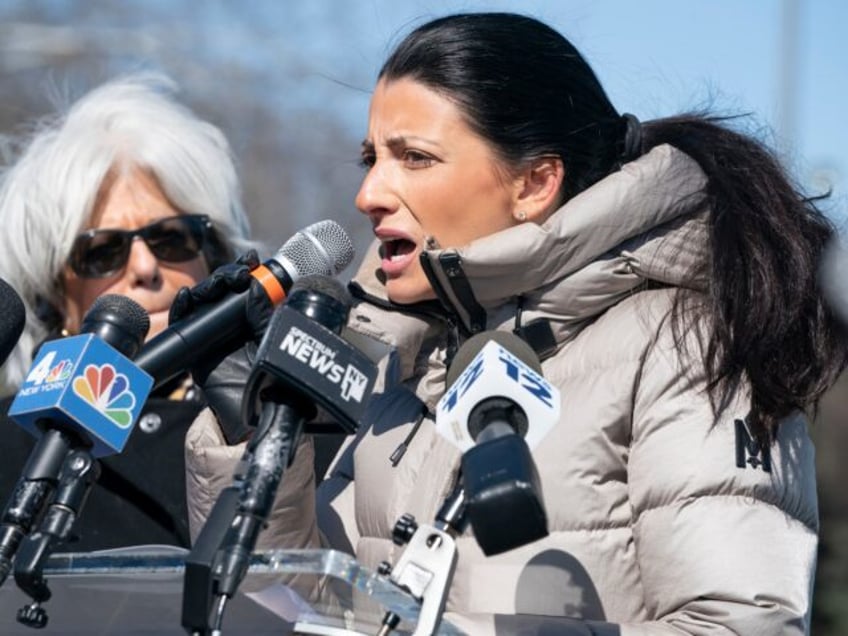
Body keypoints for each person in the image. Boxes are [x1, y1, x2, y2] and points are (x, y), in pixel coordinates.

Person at [183, 13, 848, 634]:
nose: (369, 194)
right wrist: (249, 435)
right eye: (371, 158)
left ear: (533, 184)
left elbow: (738, 623)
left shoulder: (679, 342)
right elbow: (309, 609)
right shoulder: (408, 357)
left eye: (413, 157)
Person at [0, 73, 255, 550]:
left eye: (172, 237)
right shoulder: (7, 444)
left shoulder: (281, 426)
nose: (145, 267)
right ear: (55, 296)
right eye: (102, 252)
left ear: (213, 257)